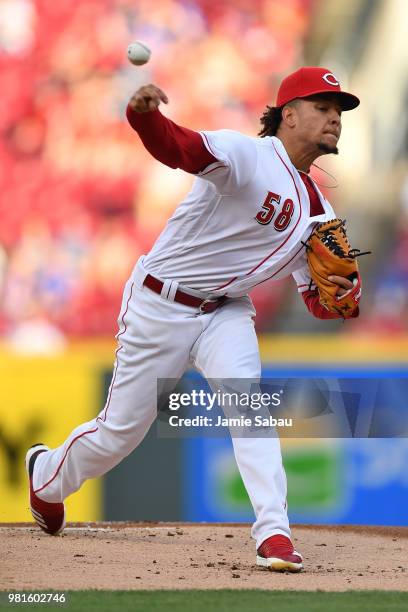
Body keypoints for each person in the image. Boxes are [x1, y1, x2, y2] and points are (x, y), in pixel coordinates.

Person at [26, 66, 361, 572]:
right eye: (322, 107)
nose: (334, 118)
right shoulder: (249, 155)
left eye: (338, 111)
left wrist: (344, 295)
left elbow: (316, 299)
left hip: (226, 312)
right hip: (162, 303)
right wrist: (144, 119)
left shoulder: (318, 211)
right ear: (288, 115)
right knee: (121, 432)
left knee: (248, 406)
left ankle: (274, 534)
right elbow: (180, 148)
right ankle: (47, 473)